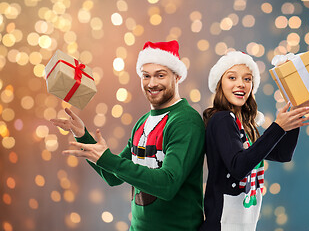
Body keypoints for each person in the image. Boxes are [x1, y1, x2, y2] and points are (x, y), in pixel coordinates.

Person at [50, 40, 205, 230]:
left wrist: (108, 159)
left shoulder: (185, 121)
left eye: (160, 75)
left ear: (177, 76)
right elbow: (113, 176)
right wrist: (83, 137)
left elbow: (167, 184)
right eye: (146, 76)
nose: (152, 83)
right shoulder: (143, 122)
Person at [200, 51, 309, 230]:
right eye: (232, 77)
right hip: (222, 224)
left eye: (247, 79)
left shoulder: (242, 124)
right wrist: (278, 126)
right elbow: (238, 167)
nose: (240, 84)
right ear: (220, 83)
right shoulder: (222, 119)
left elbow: (282, 155)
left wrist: (293, 116)